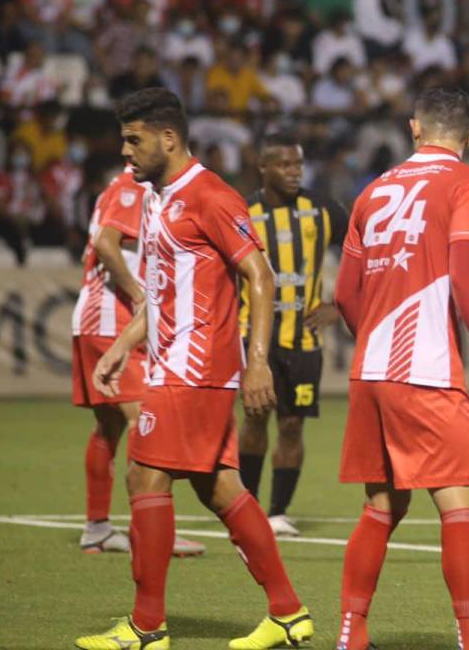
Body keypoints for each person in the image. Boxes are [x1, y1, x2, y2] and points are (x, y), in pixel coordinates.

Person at [74, 88, 314, 650]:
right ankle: (286, 612)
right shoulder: (157, 198)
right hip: (169, 359)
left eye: (134, 140)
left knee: (144, 476)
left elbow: (260, 275)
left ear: (168, 138)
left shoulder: (210, 194)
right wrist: (122, 346)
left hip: (196, 364)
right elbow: (162, 294)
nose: (126, 152)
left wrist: (257, 364)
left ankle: (146, 625)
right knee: (219, 487)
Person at [333, 87, 469, 650]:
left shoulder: (372, 193)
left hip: (371, 369)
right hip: (426, 368)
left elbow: (344, 295)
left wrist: (376, 340)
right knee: (462, 505)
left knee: (382, 504)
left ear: (415, 127)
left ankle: (351, 632)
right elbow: (465, 278)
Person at [71, 165, 205, 559]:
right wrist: (138, 293)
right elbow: (107, 243)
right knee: (145, 418)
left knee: (109, 424)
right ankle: (149, 532)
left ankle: (97, 529)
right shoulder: (134, 185)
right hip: (111, 317)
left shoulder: (126, 184)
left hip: (99, 317)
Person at [238, 132, 346, 537]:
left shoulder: (320, 209)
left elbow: (364, 247)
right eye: (284, 165)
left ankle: (277, 511)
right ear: (263, 168)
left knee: (291, 425)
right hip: (255, 337)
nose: (294, 172)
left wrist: (339, 305)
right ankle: (245, 507)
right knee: (254, 419)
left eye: (298, 165)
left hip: (304, 341)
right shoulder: (243, 212)